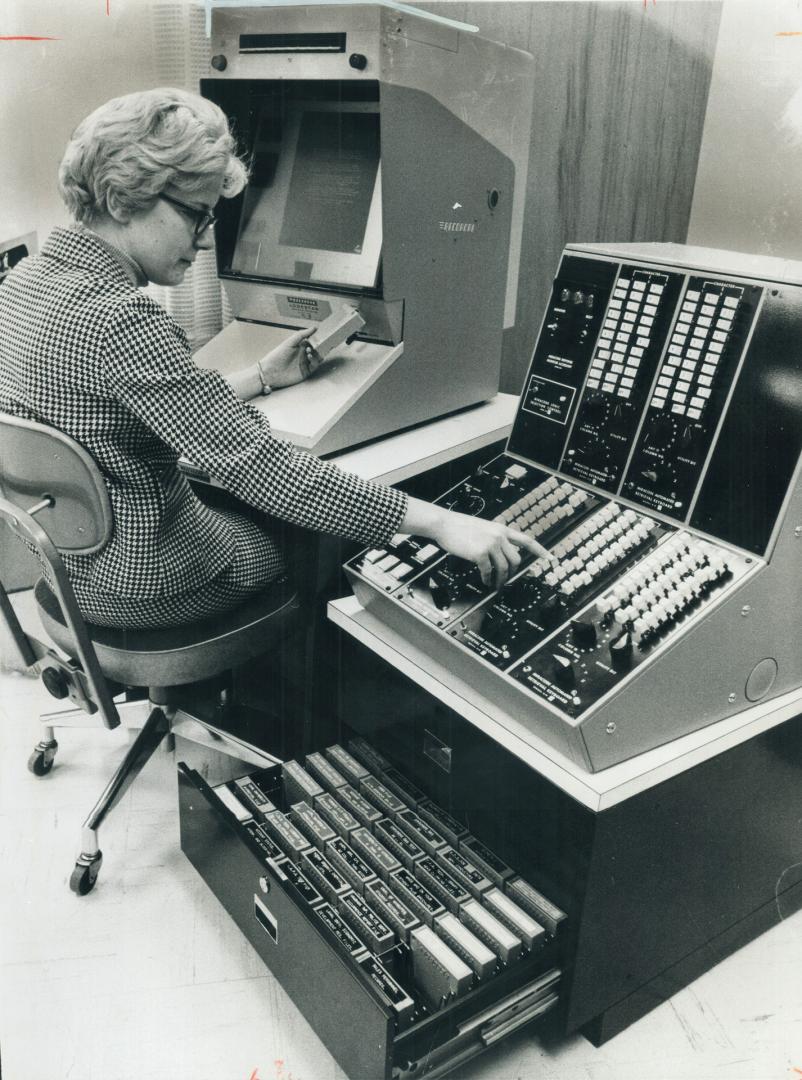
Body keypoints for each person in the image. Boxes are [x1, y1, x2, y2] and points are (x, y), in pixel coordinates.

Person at [0, 88, 550, 630]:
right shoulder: (120, 317)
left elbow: (123, 404)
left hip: (67, 568)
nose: (207, 240)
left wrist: (262, 376)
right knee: (306, 544)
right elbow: (267, 472)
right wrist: (439, 521)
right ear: (122, 200)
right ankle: (283, 712)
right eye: (198, 215)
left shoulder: (22, 284)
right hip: (146, 584)